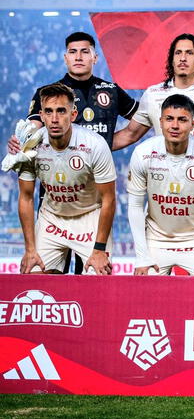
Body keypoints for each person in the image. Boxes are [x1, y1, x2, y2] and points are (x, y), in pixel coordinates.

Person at [8, 31, 137, 274]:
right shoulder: (48, 92)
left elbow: (137, 124)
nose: (79, 57)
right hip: (54, 198)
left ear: (94, 57)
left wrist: (107, 144)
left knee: (93, 278)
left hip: (91, 198)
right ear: (65, 57)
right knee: (42, 276)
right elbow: (33, 128)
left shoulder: (109, 89)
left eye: (85, 51)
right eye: (73, 52)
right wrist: (20, 142)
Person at [16, 83, 116, 275]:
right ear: (42, 115)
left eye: (61, 111)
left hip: (90, 217)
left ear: (73, 114)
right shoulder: (31, 146)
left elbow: (109, 199)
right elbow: (26, 197)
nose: (54, 119)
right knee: (34, 278)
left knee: (98, 279)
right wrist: (30, 249)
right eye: (49, 111)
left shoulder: (94, 144)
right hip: (52, 218)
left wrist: (100, 249)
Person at [127, 94, 194, 276]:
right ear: (160, 121)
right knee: (146, 296)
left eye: (182, 120)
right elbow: (135, 205)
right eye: (169, 119)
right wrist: (142, 256)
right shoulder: (143, 153)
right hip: (157, 239)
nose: (174, 126)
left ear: (193, 124)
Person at [113, 33, 194, 152]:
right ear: (172, 60)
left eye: (189, 53)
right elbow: (129, 135)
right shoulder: (153, 94)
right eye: (178, 53)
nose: (183, 58)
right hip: (166, 174)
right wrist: (94, 148)